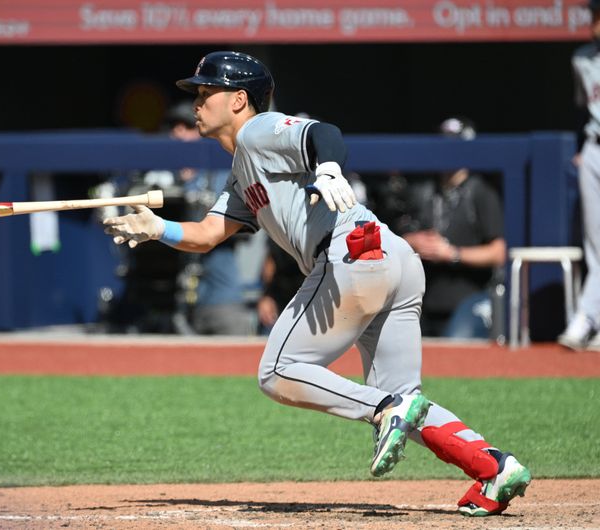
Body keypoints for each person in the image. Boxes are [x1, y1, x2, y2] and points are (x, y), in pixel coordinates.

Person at [103, 51, 531, 516]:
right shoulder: (243, 168)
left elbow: (323, 135)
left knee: (277, 370)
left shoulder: (257, 131)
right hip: (391, 259)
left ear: (240, 99)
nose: (197, 102)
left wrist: (327, 168)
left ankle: (383, 408)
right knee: (406, 400)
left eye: (208, 91)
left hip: (350, 253)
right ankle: (493, 467)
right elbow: (208, 234)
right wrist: (157, 229)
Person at [400, 117, 506, 339]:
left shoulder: (481, 191)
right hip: (423, 298)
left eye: (454, 145)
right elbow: (394, 234)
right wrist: (411, 241)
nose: (446, 151)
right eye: (442, 144)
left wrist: (452, 254)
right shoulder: (423, 189)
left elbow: (498, 252)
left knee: (456, 341)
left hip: (471, 297)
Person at [162, 101, 252, 335]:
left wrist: (191, 181)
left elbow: (212, 226)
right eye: (174, 126)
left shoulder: (222, 168)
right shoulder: (169, 175)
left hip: (224, 299)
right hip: (183, 299)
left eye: (187, 126)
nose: (178, 132)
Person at [559, 0, 600, 350]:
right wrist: (579, 146)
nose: (595, 21)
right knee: (595, 242)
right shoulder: (582, 57)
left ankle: (588, 316)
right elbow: (580, 106)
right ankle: (588, 316)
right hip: (594, 147)